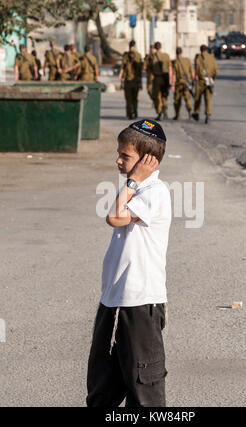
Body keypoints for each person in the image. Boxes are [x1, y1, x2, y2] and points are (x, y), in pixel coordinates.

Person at [86, 119, 171, 407]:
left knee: (144, 393)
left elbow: (114, 217)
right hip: (114, 301)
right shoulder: (135, 191)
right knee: (102, 389)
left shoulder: (154, 192)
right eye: (118, 153)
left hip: (140, 303)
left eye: (126, 156)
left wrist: (134, 180)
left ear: (149, 160)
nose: (118, 160)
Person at [192, 44, 218, 124]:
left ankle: (196, 113)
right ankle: (208, 114)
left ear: (200, 50)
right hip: (209, 80)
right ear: (207, 50)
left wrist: (195, 78)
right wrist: (213, 81)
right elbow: (215, 71)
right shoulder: (212, 57)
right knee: (208, 98)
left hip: (200, 80)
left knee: (197, 98)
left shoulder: (199, 57)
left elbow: (197, 68)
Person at [119, 40, 142, 119]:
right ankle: (135, 111)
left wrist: (121, 76)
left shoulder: (125, 55)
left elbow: (123, 67)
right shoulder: (138, 55)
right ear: (135, 46)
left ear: (129, 46)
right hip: (136, 80)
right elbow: (140, 70)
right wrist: (140, 81)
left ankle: (130, 113)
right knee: (135, 98)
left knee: (128, 98)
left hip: (127, 80)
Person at [171, 47, 194, 120]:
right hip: (187, 83)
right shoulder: (187, 60)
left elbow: (174, 75)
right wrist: (192, 82)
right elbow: (192, 72)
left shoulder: (176, 62)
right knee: (187, 98)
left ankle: (177, 114)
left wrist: (173, 85)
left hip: (179, 83)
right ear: (182, 52)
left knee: (177, 99)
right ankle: (190, 111)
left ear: (176, 53)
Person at [152, 42, 173, 121]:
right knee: (164, 95)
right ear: (161, 47)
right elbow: (170, 69)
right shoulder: (166, 56)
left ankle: (159, 112)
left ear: (154, 48)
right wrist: (170, 80)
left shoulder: (152, 56)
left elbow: (148, 70)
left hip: (157, 79)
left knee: (157, 96)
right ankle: (165, 108)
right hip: (165, 78)